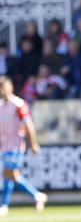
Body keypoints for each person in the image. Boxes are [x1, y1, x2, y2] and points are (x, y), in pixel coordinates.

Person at [0, 76, 47, 214]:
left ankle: (4, 205)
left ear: (11, 87)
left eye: (4, 86)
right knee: (11, 174)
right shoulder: (1, 106)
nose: (2, 89)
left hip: (15, 145)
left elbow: (28, 124)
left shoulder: (19, 104)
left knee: (8, 172)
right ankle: (37, 195)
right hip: (3, 146)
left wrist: (33, 144)